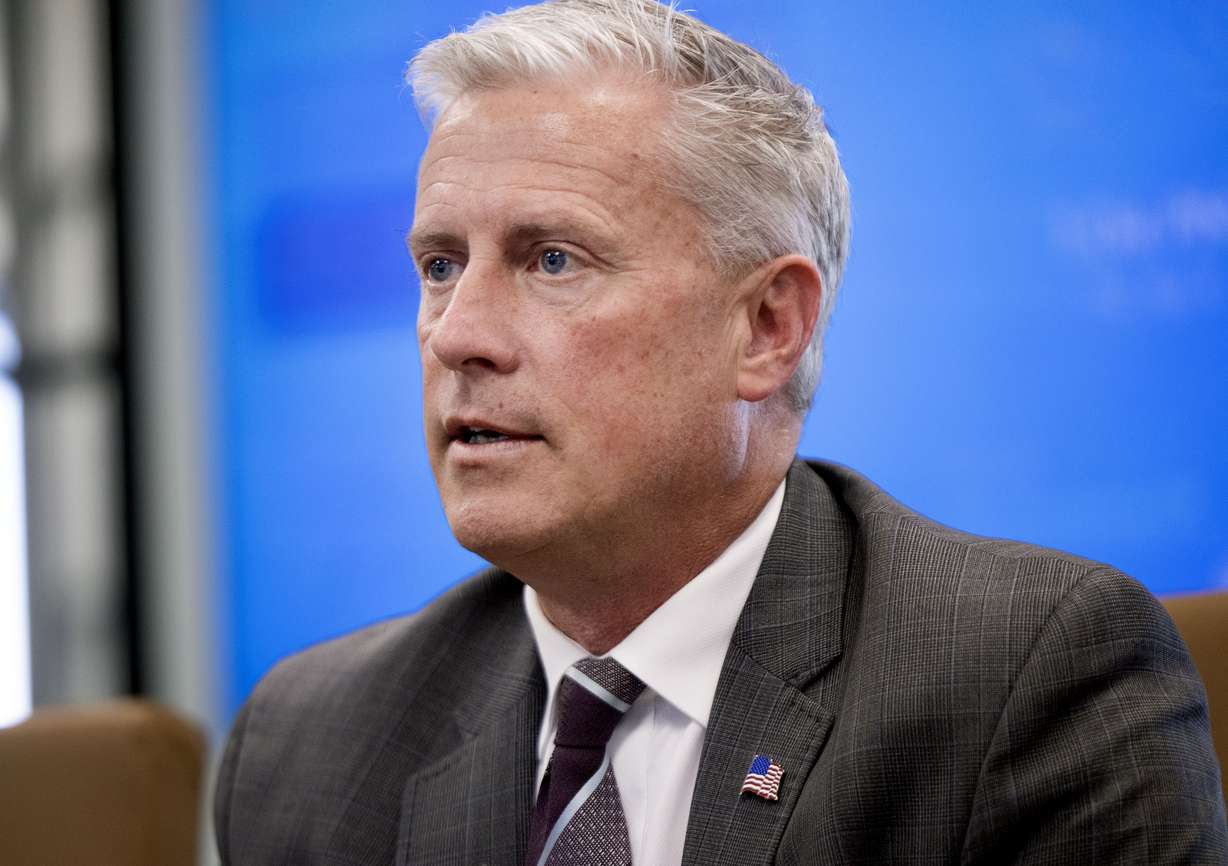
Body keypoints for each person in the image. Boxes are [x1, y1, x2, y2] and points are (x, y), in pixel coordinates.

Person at [213, 1, 1227, 863]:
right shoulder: (312, 742)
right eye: (440, 265)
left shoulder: (1025, 682)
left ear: (766, 327)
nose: (458, 332)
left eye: (552, 259)